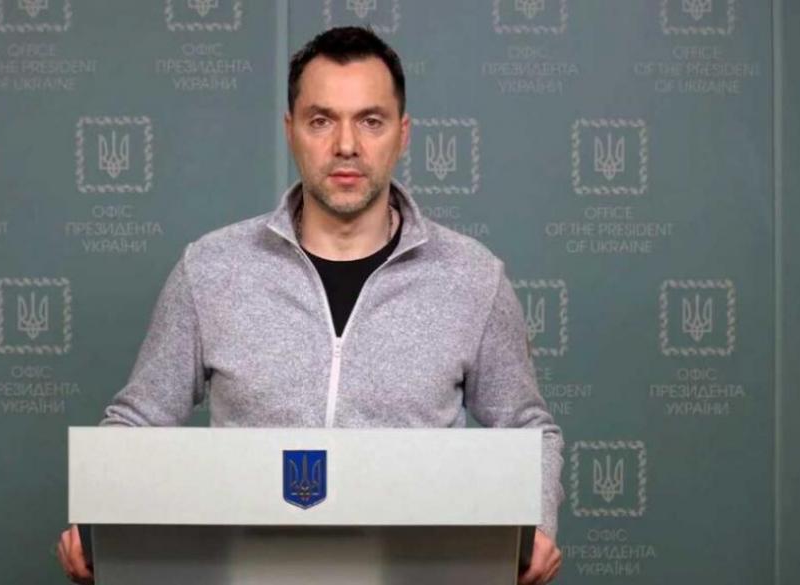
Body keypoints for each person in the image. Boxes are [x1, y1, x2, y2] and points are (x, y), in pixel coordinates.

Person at [58, 26, 563, 585]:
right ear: (291, 131)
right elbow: (140, 419)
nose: (346, 145)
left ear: (402, 134)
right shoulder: (210, 268)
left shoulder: (472, 277)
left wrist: (538, 524)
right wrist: (94, 517)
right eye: (321, 120)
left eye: (370, 121)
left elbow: (528, 427)